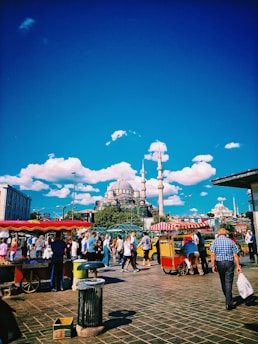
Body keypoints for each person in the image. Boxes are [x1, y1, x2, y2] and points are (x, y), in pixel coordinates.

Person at [210, 228, 242, 310]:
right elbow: (235, 255)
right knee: (229, 282)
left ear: (218, 234)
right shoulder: (231, 241)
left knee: (223, 281)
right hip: (229, 263)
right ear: (225, 234)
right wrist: (238, 265)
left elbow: (213, 255)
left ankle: (228, 298)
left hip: (220, 263)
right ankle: (229, 301)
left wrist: (213, 265)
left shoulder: (215, 242)